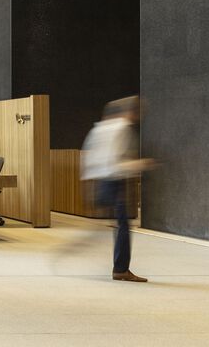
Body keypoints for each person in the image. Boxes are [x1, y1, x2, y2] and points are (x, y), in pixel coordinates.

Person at [81, 96, 155, 283]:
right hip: (114, 181)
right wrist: (140, 164)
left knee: (120, 224)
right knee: (123, 225)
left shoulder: (100, 128)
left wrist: (88, 184)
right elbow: (114, 162)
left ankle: (120, 267)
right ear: (132, 112)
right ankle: (121, 270)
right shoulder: (122, 129)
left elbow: (89, 156)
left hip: (101, 180)